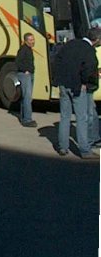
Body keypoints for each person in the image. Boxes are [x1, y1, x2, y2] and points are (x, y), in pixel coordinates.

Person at [52, 27, 101, 159]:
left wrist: (58, 79)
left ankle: (63, 147)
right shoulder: (89, 50)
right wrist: (85, 82)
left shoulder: (71, 44)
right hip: (78, 86)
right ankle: (85, 150)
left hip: (63, 84)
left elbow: (57, 60)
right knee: (82, 118)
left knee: (65, 116)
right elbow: (90, 68)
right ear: (96, 40)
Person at [15, 32, 36, 127]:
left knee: (26, 97)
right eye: (30, 40)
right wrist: (25, 70)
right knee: (27, 97)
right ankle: (27, 119)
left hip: (29, 74)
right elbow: (17, 62)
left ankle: (24, 117)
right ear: (25, 41)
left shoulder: (29, 49)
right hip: (25, 75)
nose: (33, 42)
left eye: (33, 39)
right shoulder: (23, 50)